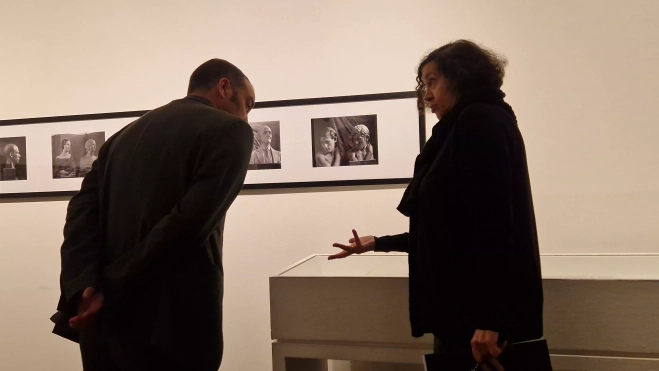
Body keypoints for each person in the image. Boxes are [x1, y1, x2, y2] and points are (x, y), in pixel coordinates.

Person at [330, 40, 547, 370]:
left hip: (477, 321)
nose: (426, 95)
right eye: (423, 84)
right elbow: (450, 231)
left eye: (432, 82)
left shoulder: (479, 121)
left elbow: (495, 227)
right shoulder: (463, 126)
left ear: (460, 78)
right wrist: (378, 244)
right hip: (466, 314)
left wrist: (490, 320)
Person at [51, 58, 255, 371]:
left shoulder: (122, 137)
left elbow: (80, 216)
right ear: (224, 87)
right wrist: (109, 287)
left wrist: (85, 287)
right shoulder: (230, 130)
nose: (246, 114)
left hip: (104, 327)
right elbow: (188, 225)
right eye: (247, 103)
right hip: (172, 323)